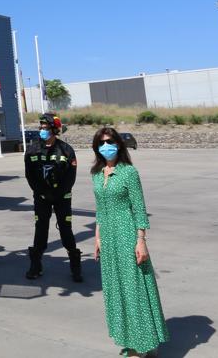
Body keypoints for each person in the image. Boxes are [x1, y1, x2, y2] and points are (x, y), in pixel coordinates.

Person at [92, 127, 168, 356]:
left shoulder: (128, 172)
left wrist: (141, 240)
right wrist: (97, 237)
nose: (106, 147)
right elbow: (99, 210)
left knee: (135, 289)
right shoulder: (97, 174)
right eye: (102, 143)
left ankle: (140, 346)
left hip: (127, 237)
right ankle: (136, 341)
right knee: (117, 292)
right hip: (108, 239)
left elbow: (140, 209)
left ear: (119, 145)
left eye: (110, 142)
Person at [24, 112, 83, 282]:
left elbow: (70, 177)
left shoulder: (66, 150)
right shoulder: (32, 149)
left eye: (46, 128)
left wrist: (57, 193)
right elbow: (30, 175)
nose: (43, 130)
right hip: (41, 197)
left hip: (62, 197)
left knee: (66, 229)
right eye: (41, 127)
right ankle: (35, 265)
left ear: (55, 130)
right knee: (40, 229)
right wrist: (42, 192)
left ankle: (75, 266)